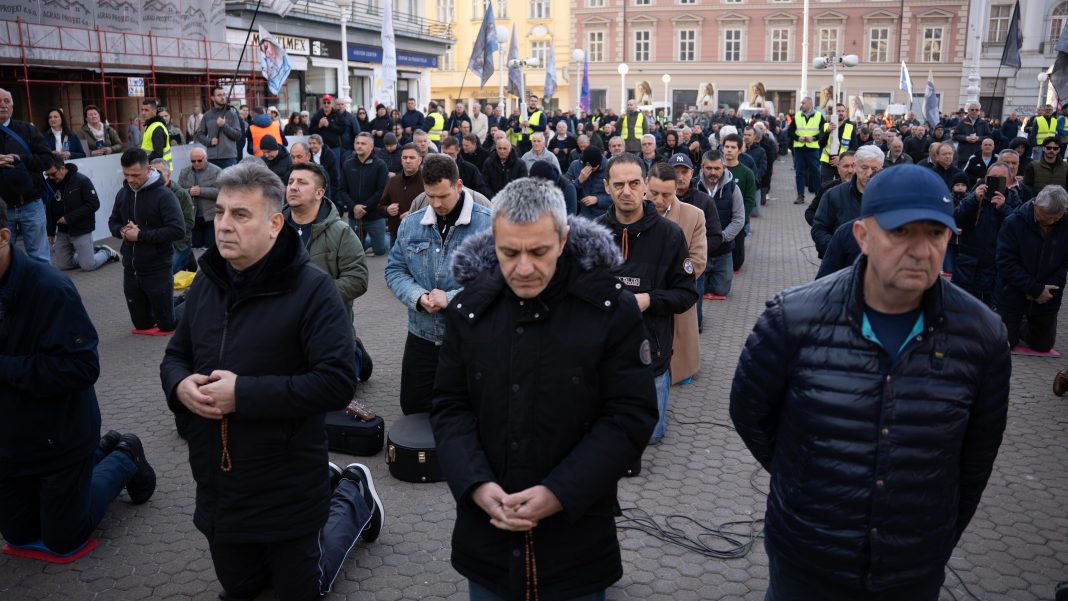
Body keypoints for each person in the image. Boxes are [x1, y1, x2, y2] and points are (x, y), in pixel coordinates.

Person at [731, 164, 1010, 601]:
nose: (922, 251)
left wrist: (930, 540)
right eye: (902, 233)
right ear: (862, 236)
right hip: (807, 561)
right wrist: (807, 479)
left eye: (936, 234)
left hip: (911, 569)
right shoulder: (793, 318)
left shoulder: (982, 335)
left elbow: (974, 461)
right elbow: (749, 414)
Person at [159, 159, 383, 601]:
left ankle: (354, 496)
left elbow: (336, 383)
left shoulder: (313, 290)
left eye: (241, 215)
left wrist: (242, 394)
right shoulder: (207, 283)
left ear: (275, 223)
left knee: (302, 588)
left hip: (286, 484)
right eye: (221, 211)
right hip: (219, 484)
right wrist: (179, 386)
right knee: (242, 588)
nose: (223, 225)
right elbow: (174, 356)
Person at [431, 177, 657, 601]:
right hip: (487, 540)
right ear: (492, 239)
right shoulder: (469, 309)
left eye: (539, 252)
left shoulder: (610, 310)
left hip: (576, 542)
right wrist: (475, 483)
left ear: (564, 237)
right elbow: (449, 407)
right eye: (508, 252)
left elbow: (630, 416)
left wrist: (560, 492)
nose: (523, 268)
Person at [0, 197, 157, 557]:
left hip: (60, 435)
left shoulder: (50, 288)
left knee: (63, 538)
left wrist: (5, 367)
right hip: (10, 443)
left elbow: (82, 368)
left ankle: (124, 454)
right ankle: (101, 451)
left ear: (4, 236)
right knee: (19, 534)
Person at [597, 153, 696, 445]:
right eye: (618, 184)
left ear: (645, 186)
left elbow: (686, 293)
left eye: (633, 183)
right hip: (603, 355)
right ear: (606, 187)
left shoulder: (670, 236)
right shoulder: (593, 233)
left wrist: (649, 300)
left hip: (651, 356)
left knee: (649, 436)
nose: (626, 191)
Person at [385, 154, 492, 415]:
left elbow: (498, 278)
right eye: (430, 196)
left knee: (469, 413)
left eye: (443, 196)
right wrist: (418, 297)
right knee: (414, 408)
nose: (436, 203)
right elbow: (394, 270)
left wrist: (453, 298)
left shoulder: (489, 224)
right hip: (421, 335)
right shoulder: (411, 224)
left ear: (459, 185)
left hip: (470, 338)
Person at [284, 161, 368, 334]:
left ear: (319, 193)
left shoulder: (341, 232)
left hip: (327, 328)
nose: (293, 187)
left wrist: (313, 294)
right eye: (291, 181)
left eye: (302, 182)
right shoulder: (272, 229)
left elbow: (357, 279)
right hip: (282, 330)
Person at [107, 148, 185, 335]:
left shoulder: (164, 195)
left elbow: (178, 230)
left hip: (157, 267)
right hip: (131, 269)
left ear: (148, 169)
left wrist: (140, 236)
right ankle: (167, 303)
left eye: (135, 175)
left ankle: (189, 300)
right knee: (142, 325)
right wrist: (121, 231)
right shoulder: (122, 193)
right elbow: (113, 222)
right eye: (126, 175)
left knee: (167, 325)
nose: (130, 180)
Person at [646, 163, 706, 385]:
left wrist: (663, 290)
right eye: (654, 193)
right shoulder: (627, 214)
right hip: (640, 305)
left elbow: (698, 261)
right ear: (645, 185)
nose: (660, 200)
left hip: (674, 302)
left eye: (667, 195)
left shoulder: (694, 216)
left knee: (674, 369)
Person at [995, 185, 1068, 352]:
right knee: (1006, 342)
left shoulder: (1065, 224)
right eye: (1047, 217)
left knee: (1043, 345)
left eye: (1056, 218)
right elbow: (1005, 262)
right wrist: (1033, 288)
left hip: (1048, 294)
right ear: (1036, 205)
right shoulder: (1013, 222)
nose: (1050, 222)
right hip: (1013, 292)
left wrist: (1044, 290)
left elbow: (1064, 264)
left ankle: (1024, 326)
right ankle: (1004, 320)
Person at [953, 162, 1021, 307]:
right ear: (986, 178)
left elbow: (1019, 229)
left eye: (1001, 178)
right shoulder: (974, 196)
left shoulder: (1013, 199)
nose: (996, 181)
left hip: (997, 270)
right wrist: (974, 200)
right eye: (993, 177)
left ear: (1009, 180)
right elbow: (956, 220)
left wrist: (1003, 208)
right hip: (969, 270)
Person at [0, 88, 54, 264]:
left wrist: (19, 159)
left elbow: (47, 160)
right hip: (2, 208)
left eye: (6, 101)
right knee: (4, 260)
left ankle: (43, 291)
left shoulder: (27, 130)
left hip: (31, 204)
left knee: (40, 258)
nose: (2, 105)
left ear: (13, 105)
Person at [43, 157, 119, 271]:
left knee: (88, 266)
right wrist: (50, 231)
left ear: (62, 168)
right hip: (63, 232)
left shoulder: (81, 180)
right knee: (64, 265)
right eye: (47, 175)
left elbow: (94, 204)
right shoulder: (50, 183)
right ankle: (89, 254)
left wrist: (69, 218)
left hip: (81, 229)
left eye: (53, 174)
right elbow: (49, 208)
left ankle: (106, 252)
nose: (50, 178)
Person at [811, 145, 883, 257]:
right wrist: (838, 249)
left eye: (874, 169)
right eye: (864, 168)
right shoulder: (833, 195)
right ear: (855, 166)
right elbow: (819, 229)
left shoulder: (891, 197)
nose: (869, 174)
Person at [695, 150, 744, 299]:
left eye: (717, 168)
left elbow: (739, 219)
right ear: (702, 167)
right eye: (709, 168)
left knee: (721, 290)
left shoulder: (733, 188)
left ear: (724, 167)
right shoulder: (693, 186)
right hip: (699, 249)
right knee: (698, 289)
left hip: (723, 249)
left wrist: (721, 237)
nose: (713, 172)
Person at [340, 132, 390, 256]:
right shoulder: (347, 164)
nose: (359, 146)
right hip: (355, 216)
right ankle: (367, 241)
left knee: (380, 250)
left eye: (363, 143)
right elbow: (341, 190)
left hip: (374, 216)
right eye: (357, 143)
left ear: (371, 147)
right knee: (356, 251)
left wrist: (364, 207)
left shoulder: (380, 165)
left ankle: (386, 236)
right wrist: (354, 207)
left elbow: (381, 191)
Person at [149, 158, 195, 275]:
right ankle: (187, 257)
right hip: (156, 240)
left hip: (177, 241)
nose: (154, 175)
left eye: (158, 172)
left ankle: (186, 254)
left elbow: (189, 222)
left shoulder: (181, 194)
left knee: (166, 273)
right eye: (151, 172)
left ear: (168, 174)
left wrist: (167, 234)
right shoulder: (147, 193)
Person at [178, 146, 221, 250]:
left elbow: (222, 192)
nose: (196, 163)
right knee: (196, 246)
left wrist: (201, 191)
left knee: (210, 247)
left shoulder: (216, 171)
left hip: (211, 216)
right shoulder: (184, 172)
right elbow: (178, 191)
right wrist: (188, 191)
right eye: (193, 161)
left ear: (206, 158)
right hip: (193, 216)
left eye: (199, 160)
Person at [380, 143, 425, 242]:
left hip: (420, 237)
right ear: (401, 160)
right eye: (405, 157)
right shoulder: (393, 181)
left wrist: (413, 214)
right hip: (396, 237)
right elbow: (380, 206)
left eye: (412, 157)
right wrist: (387, 209)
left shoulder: (428, 182)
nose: (408, 161)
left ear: (419, 160)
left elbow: (436, 208)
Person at [195, 87, 244, 169]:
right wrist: (209, 141)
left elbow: (238, 135)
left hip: (229, 158)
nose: (223, 97)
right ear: (212, 98)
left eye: (224, 95)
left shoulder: (232, 114)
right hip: (212, 158)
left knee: (229, 182)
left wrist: (224, 125)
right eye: (219, 95)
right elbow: (199, 134)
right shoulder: (207, 116)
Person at [805, 151, 856, 226]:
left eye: (853, 166)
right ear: (838, 169)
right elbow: (810, 212)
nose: (850, 171)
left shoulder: (866, 190)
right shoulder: (827, 188)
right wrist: (822, 228)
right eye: (846, 166)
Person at [789, 96, 824, 204]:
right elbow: (790, 131)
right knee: (799, 172)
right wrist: (797, 138)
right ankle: (800, 196)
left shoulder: (819, 116)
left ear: (810, 104)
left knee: (816, 173)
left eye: (803, 103)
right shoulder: (798, 116)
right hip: (799, 149)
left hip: (813, 149)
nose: (801, 105)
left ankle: (818, 196)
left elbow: (823, 132)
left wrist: (813, 138)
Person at [567, 146, 611, 220]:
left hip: (603, 215)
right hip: (581, 215)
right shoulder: (575, 165)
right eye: (587, 166)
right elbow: (566, 192)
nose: (590, 169)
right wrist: (579, 181)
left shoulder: (609, 168)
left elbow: (616, 197)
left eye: (593, 168)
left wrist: (597, 199)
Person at [309, 95, 346, 162]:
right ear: (322, 104)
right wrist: (319, 126)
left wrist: (328, 125)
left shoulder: (337, 115)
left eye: (328, 102)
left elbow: (342, 130)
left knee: (335, 167)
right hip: (320, 148)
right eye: (324, 102)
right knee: (320, 169)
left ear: (331, 103)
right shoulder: (317, 115)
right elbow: (310, 131)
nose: (326, 105)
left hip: (334, 147)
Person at [953, 102, 991, 168]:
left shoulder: (983, 123)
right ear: (968, 111)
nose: (974, 111)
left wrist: (978, 138)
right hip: (964, 155)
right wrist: (966, 138)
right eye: (972, 110)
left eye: (976, 110)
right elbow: (955, 136)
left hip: (978, 154)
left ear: (979, 111)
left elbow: (989, 137)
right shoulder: (962, 122)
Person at [139, 98, 171, 168]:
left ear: (154, 111)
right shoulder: (150, 126)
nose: (143, 113)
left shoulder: (157, 128)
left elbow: (158, 154)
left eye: (146, 110)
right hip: (155, 169)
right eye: (142, 110)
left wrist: (141, 162)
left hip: (160, 170)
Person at [308, 134, 341, 201]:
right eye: (310, 143)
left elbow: (335, 175)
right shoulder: (308, 154)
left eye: (314, 143)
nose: (311, 146)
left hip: (328, 186)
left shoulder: (330, 155)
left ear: (321, 144)